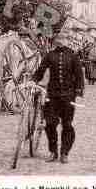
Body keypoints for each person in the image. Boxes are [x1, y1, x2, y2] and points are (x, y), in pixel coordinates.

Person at [33, 32, 84, 164]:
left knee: (67, 125)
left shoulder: (73, 56)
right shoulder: (50, 55)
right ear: (55, 41)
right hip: (53, 96)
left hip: (68, 96)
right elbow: (41, 70)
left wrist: (79, 90)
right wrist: (33, 80)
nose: (61, 41)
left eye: (63, 39)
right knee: (50, 124)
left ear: (67, 41)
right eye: (58, 39)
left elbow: (79, 74)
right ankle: (53, 152)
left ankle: (65, 153)